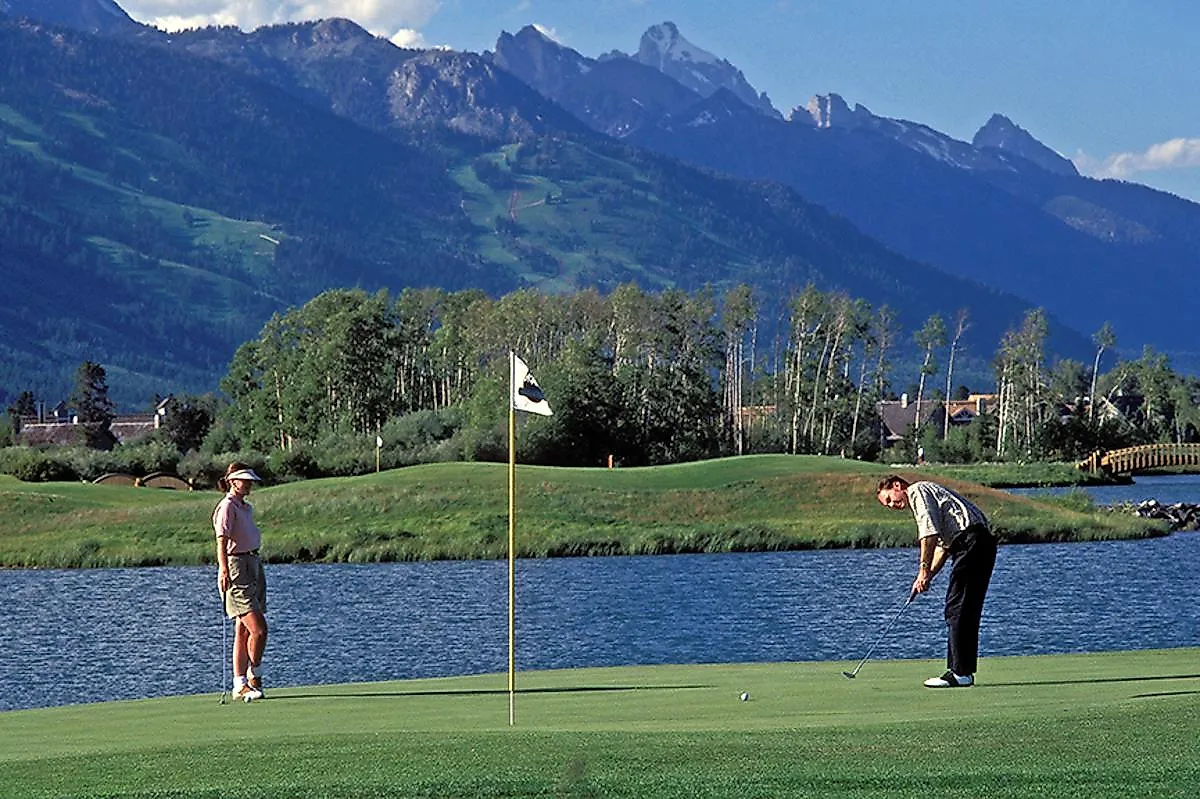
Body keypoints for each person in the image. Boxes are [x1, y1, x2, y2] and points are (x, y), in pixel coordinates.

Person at [876, 474, 997, 688]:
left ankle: (960, 673)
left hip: (972, 543)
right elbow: (943, 546)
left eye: (889, 499)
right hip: (976, 544)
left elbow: (928, 534)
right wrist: (928, 576)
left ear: (897, 486)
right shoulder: (926, 493)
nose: (892, 506)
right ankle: (961, 671)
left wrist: (923, 570)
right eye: (887, 505)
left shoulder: (917, 491)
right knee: (961, 608)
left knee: (958, 607)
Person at [213, 462, 269, 702]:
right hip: (236, 566)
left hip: (253, 563)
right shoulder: (227, 507)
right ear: (233, 481)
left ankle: (240, 684)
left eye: (250, 481)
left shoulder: (245, 507)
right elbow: (221, 541)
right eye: (244, 480)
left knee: (243, 630)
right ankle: (253, 675)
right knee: (258, 629)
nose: (248, 484)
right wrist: (223, 570)